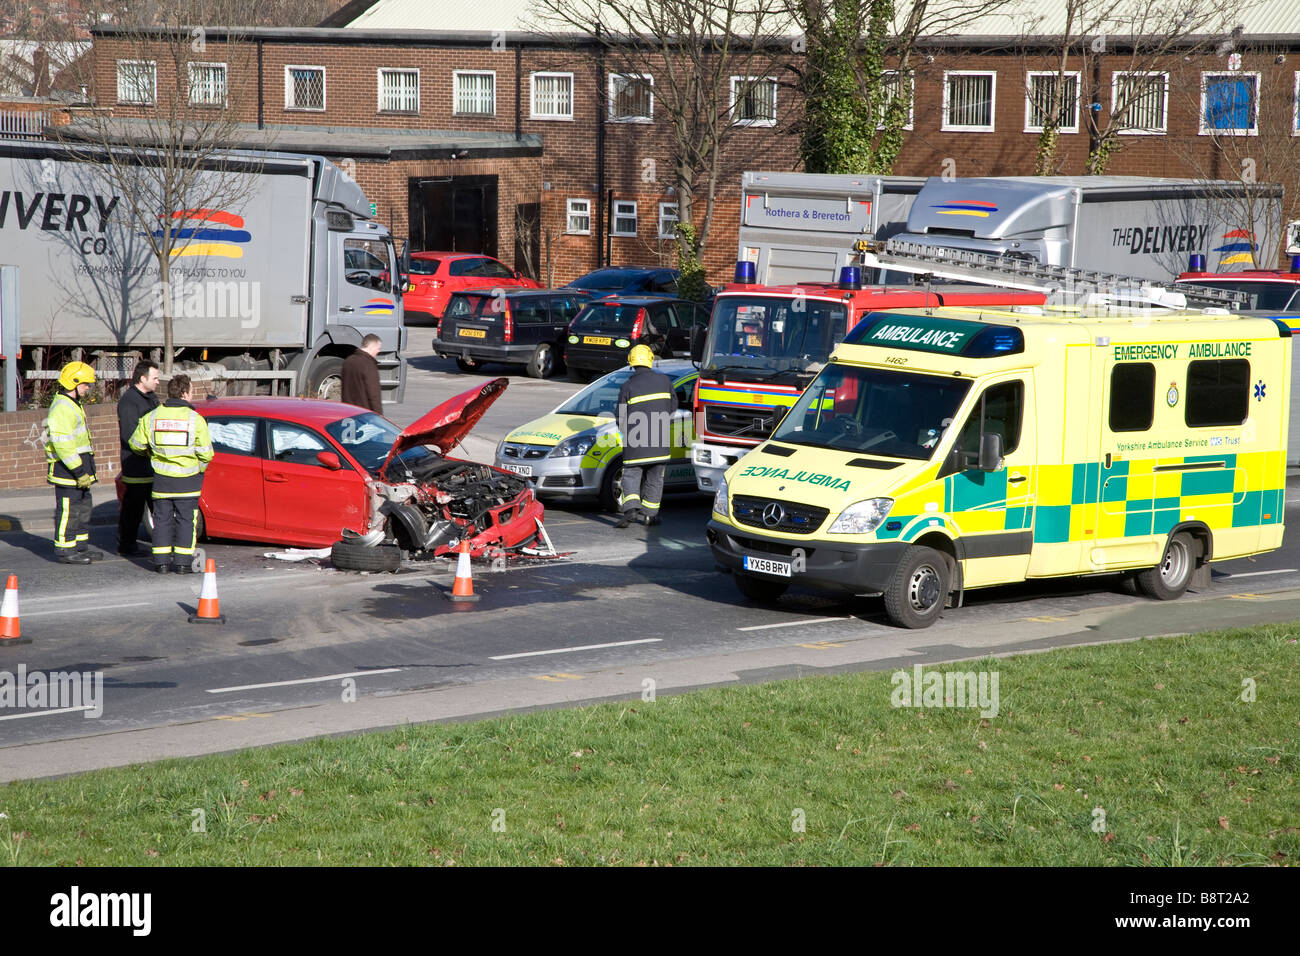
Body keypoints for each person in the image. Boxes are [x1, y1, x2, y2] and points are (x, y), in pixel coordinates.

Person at [129, 374, 214, 574]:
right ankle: (183, 564)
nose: (192, 395)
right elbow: (206, 453)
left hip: (161, 481)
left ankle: (161, 563)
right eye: (191, 391)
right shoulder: (195, 419)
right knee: (186, 521)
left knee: (162, 520)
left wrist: (151, 453)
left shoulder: (152, 416)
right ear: (184, 393)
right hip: (188, 482)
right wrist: (199, 469)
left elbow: (136, 444)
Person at [45, 361, 102, 564]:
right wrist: (78, 471)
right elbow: (63, 445)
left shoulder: (72, 404)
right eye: (85, 384)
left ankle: (79, 547)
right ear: (74, 383)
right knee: (69, 510)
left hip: (78, 469)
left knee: (83, 508)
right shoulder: (62, 407)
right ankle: (65, 550)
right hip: (67, 470)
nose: (88, 387)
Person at [615, 345, 676, 528]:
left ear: (631, 362)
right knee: (655, 479)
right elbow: (672, 407)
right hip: (660, 440)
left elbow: (621, 417)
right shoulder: (664, 381)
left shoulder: (628, 386)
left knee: (631, 475)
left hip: (636, 441)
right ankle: (650, 516)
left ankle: (631, 509)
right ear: (650, 359)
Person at [116, 359, 160, 556]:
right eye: (155, 378)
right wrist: (151, 451)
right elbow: (130, 435)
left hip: (152, 466)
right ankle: (127, 545)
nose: (158, 382)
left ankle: (161, 545)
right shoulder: (129, 402)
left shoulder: (151, 398)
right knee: (133, 509)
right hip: (136, 465)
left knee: (158, 509)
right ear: (142, 378)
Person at [341, 334, 383, 412]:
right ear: (372, 347)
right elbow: (374, 395)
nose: (378, 351)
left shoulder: (348, 361)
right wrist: (379, 415)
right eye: (378, 348)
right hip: (364, 414)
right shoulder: (369, 365)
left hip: (347, 411)